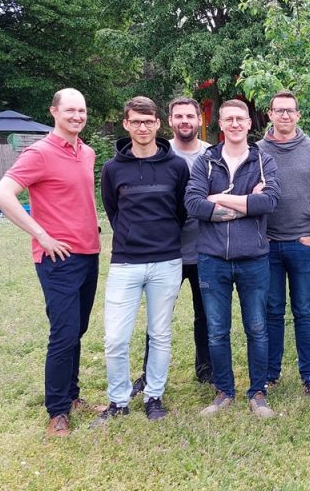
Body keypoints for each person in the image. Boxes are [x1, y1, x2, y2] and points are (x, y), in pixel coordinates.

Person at [0, 88, 103, 437]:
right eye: (70, 110)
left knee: (77, 330)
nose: (77, 116)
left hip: (89, 253)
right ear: (54, 112)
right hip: (58, 259)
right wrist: (41, 235)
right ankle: (57, 412)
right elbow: (1, 195)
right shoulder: (39, 153)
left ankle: (72, 396)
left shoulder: (87, 152)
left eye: (82, 110)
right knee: (64, 333)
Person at [93, 96, 188, 425]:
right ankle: (118, 401)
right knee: (115, 338)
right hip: (126, 262)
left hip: (166, 261)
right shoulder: (112, 169)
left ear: (158, 124)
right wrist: (131, 236)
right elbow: (113, 210)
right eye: (136, 121)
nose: (142, 127)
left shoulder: (177, 166)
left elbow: (181, 210)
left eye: (148, 121)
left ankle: (154, 396)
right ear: (126, 124)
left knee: (159, 334)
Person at [185, 99, 281, 419]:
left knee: (257, 328)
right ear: (221, 124)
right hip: (212, 259)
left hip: (254, 258)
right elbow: (193, 203)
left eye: (241, 119)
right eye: (229, 119)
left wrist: (219, 199)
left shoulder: (263, 160)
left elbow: (269, 202)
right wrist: (246, 202)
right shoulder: (206, 161)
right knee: (216, 330)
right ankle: (224, 391)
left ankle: (258, 392)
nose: (235, 124)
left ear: (250, 123)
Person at [129, 97, 212, 397]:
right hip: (167, 252)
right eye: (179, 116)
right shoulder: (159, 154)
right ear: (169, 121)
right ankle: (148, 373)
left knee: (207, 315)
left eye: (190, 115)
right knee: (158, 318)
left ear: (200, 120)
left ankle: (207, 369)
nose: (185, 121)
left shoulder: (212, 155)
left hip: (205, 250)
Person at [257, 90, 310, 398]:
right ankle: (270, 374)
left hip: (302, 244)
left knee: (303, 310)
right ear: (270, 114)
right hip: (268, 245)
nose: (285, 115)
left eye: (290, 110)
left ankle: (309, 375)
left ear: (298, 115)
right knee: (272, 310)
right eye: (279, 110)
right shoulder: (256, 151)